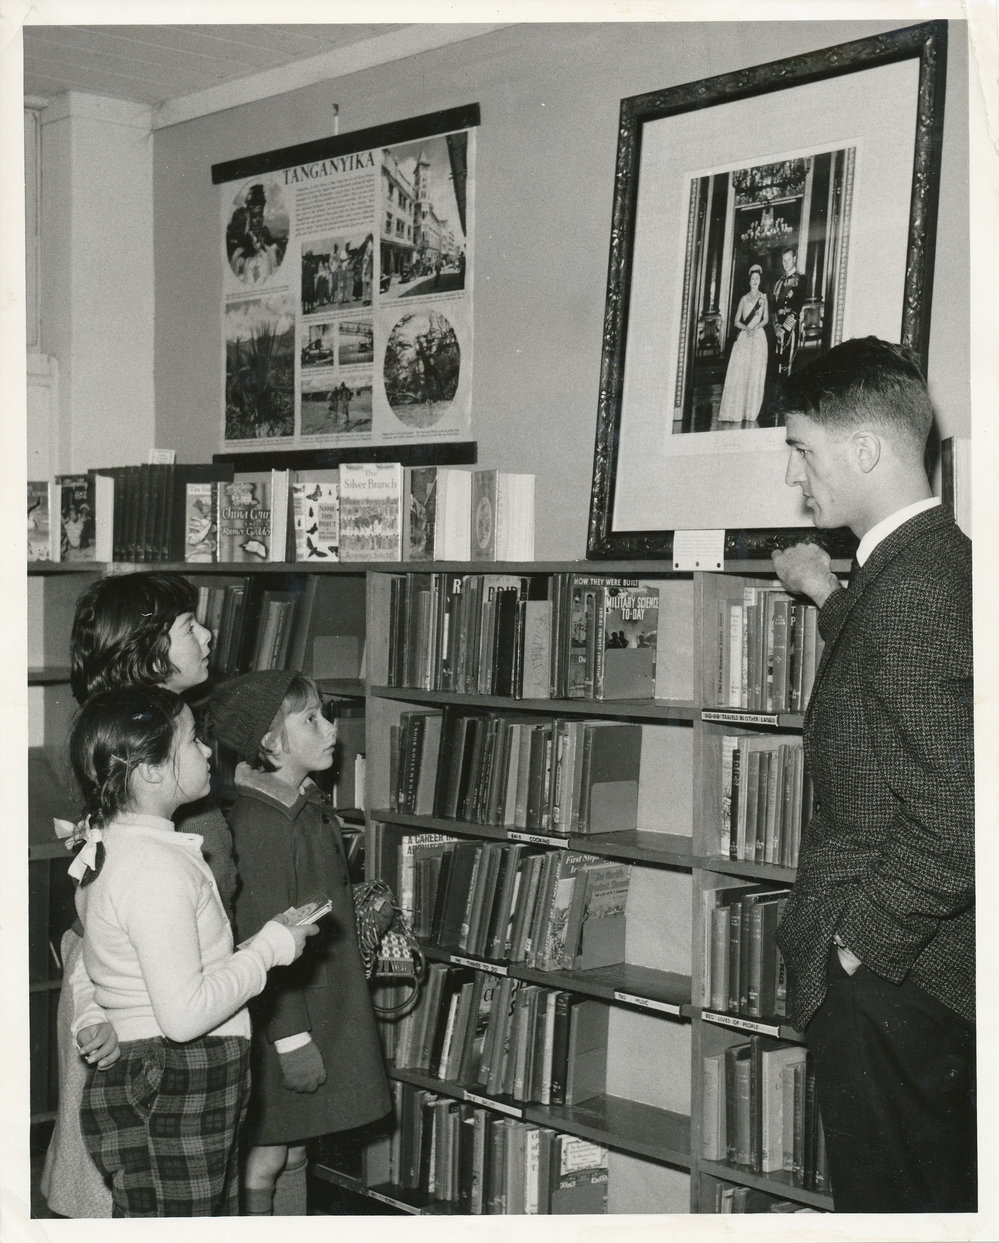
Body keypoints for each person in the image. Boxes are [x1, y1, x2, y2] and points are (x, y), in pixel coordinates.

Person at [770, 336, 975, 1213]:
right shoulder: (925, 564)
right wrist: (827, 596)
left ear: (861, 450)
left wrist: (858, 946)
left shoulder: (918, 589)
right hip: (917, 980)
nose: (794, 477)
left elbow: (961, 813)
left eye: (801, 450)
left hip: (895, 984)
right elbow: (899, 691)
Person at [69, 685, 315, 1216]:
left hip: (168, 1071)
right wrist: (269, 950)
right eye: (191, 740)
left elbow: (95, 956)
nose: (207, 750)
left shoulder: (118, 848)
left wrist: (93, 1012)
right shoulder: (157, 869)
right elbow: (183, 1016)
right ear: (152, 770)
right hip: (179, 1072)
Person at [42, 571, 234, 1218]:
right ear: (146, 649)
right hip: (141, 1023)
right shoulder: (145, 765)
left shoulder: (153, 747)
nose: (208, 634)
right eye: (188, 625)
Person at [208, 671, 390, 1216]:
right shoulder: (265, 822)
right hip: (286, 1018)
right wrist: (290, 1039)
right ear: (269, 742)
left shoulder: (300, 806)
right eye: (310, 718)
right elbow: (262, 932)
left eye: (324, 713)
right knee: (265, 1158)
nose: (329, 726)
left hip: (319, 1005)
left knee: (292, 1154)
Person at [717, 264, 770, 424]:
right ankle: (738, 410)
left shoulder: (763, 298)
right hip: (745, 338)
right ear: (749, 281)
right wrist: (746, 328)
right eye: (753, 278)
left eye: (757, 278)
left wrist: (756, 327)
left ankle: (751, 411)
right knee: (742, 373)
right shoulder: (744, 299)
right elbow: (735, 321)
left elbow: (766, 318)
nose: (755, 280)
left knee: (755, 374)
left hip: (758, 337)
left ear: (760, 280)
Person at [772, 246, 806, 378]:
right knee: (778, 364)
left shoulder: (801, 279)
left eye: (789, 260)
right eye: (784, 260)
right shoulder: (779, 282)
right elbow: (774, 307)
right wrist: (776, 326)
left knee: (789, 363)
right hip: (778, 326)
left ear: (794, 259)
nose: (786, 263)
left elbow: (797, 307)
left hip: (790, 327)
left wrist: (784, 329)